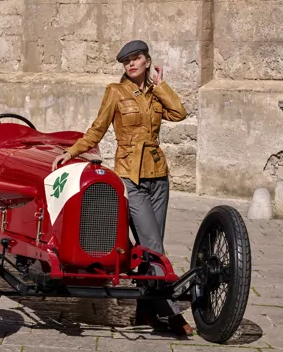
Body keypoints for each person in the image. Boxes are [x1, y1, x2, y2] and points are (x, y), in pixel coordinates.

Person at [52, 40, 193, 336]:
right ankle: (172, 313)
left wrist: (162, 86)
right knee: (154, 246)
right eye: (126, 60)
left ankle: (145, 310)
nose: (130, 64)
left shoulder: (155, 94)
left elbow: (179, 113)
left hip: (158, 176)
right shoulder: (115, 92)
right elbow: (97, 128)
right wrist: (73, 151)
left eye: (136, 58)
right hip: (130, 177)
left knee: (147, 247)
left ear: (146, 61)